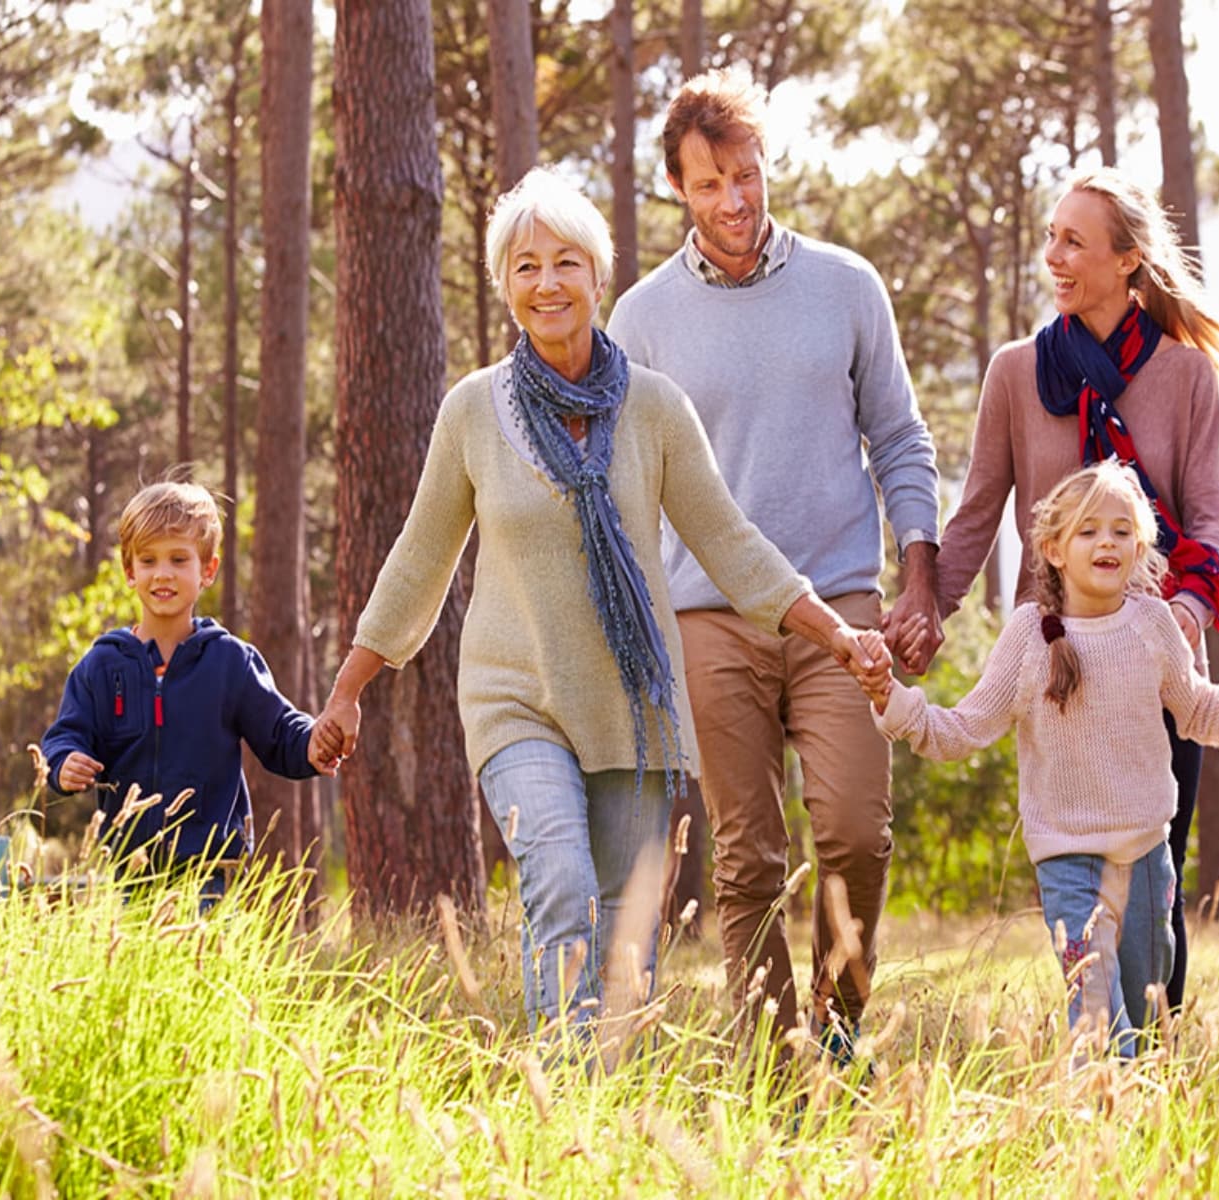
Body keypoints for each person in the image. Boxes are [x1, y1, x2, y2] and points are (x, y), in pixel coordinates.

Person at [311, 169, 884, 1032]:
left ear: (597, 276)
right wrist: (349, 688)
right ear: (506, 284)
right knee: (563, 886)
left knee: (626, 938)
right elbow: (419, 559)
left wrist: (833, 629)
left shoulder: (654, 409)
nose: (548, 284)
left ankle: (603, 1119)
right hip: (517, 701)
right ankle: (564, 1108)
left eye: (567, 263)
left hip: (630, 706)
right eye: (528, 266)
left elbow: (728, 543)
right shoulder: (473, 411)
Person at [606, 66, 941, 1052]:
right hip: (709, 616)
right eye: (709, 184)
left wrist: (917, 577)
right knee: (747, 857)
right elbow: (629, 490)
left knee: (852, 830)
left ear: (767, 166)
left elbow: (902, 439)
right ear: (678, 189)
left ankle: (837, 1024)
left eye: (747, 174)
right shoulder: (643, 319)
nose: (735, 200)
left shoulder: (846, 287)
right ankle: (767, 1058)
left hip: (842, 607)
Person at [918, 166, 1219, 1011]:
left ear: (1129, 260)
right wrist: (926, 614)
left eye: (1073, 241)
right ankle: (1096, 1042)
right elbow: (978, 512)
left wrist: (1169, 625)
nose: (1053, 256)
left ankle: (1157, 1050)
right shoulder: (1017, 373)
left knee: (1157, 869)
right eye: (1050, 236)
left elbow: (1209, 520)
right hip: (1056, 659)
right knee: (1076, 874)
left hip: (1156, 663)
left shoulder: (1186, 376)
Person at [873, 464, 1219, 1055]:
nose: (1107, 543)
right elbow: (963, 729)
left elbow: (1200, 713)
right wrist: (894, 701)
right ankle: (1097, 1123)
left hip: (1146, 858)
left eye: (1121, 531)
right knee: (1095, 1015)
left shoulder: (1154, 625)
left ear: (1140, 546)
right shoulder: (1028, 639)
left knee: (1144, 1015)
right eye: (1089, 531)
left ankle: (1137, 1126)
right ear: (1054, 550)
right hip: (1069, 862)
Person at [40, 479, 330, 904]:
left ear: (207, 570)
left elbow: (281, 733)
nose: (163, 573)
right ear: (129, 570)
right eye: (149, 560)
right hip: (129, 872)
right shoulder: (102, 667)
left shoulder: (230, 662)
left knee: (202, 967)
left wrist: (314, 744)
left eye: (179, 559)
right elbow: (66, 734)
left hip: (209, 871)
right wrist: (63, 764)